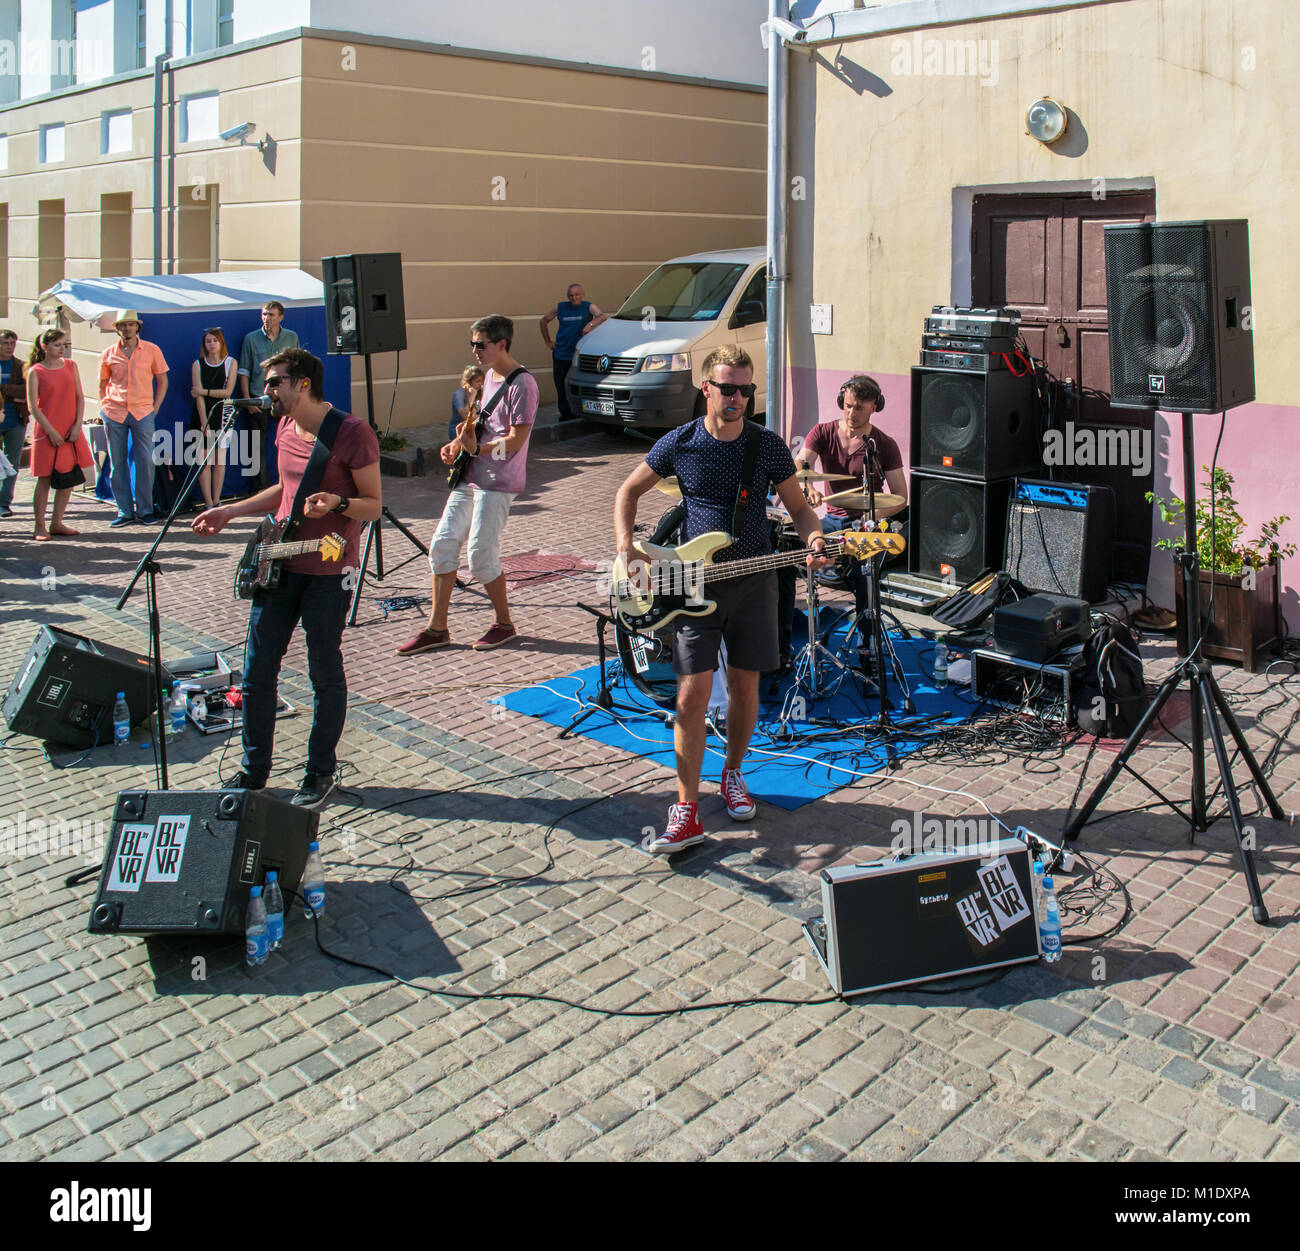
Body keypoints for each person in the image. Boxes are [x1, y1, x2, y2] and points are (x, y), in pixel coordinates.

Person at [613, 345, 832, 855]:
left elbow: (800, 510)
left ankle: (733, 774)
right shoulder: (680, 443)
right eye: (727, 388)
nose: (736, 398)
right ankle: (685, 808)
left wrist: (815, 541)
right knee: (690, 695)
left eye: (745, 390)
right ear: (706, 388)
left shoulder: (768, 445)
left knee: (745, 687)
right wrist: (626, 549)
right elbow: (627, 492)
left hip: (754, 581)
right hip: (695, 586)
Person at [192, 348, 381, 808]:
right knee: (257, 672)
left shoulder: (352, 432)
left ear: (303, 385)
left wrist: (337, 505)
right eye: (267, 382)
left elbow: (375, 505)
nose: (267, 391)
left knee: (324, 672)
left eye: (275, 382)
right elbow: (285, 488)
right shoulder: (282, 426)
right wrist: (230, 510)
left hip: (329, 567)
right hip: (279, 562)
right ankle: (254, 771)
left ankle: (320, 772)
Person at [397, 315, 537, 655]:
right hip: (472, 475)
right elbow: (479, 424)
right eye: (472, 344)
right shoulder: (489, 376)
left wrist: (480, 449)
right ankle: (437, 628)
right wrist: (459, 444)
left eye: (481, 344)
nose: (474, 350)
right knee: (442, 546)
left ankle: (504, 623)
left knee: (479, 556)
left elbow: (517, 441)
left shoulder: (524, 385)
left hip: (499, 482)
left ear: (502, 343)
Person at [794, 374, 908, 616]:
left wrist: (873, 514)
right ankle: (789, 634)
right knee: (790, 548)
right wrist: (810, 488)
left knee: (865, 578)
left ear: (874, 407)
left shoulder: (883, 444)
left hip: (864, 523)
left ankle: (867, 642)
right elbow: (800, 466)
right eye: (847, 406)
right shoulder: (822, 432)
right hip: (831, 521)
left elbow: (900, 495)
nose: (851, 414)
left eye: (859, 408)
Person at [99, 310, 169, 527]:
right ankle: (124, 511)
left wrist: (155, 408)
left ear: (137, 327)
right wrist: (104, 408)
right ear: (117, 328)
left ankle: (146, 510)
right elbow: (102, 383)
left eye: (131, 325)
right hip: (115, 412)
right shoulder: (108, 353)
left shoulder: (151, 349)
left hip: (143, 412)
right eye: (123, 325)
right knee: (117, 463)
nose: (127, 329)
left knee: (145, 462)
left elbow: (163, 380)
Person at [25, 329, 93, 542]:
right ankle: (40, 525)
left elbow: (80, 398)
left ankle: (57, 522)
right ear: (44, 346)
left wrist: (77, 426)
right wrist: (51, 431)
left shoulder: (71, 366)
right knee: (44, 479)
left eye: (64, 344)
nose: (62, 348)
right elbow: (33, 407)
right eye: (57, 344)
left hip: (70, 430)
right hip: (47, 432)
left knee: (69, 476)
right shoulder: (36, 371)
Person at [238, 301, 299, 489]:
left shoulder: (291, 337)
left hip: (285, 397)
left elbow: (297, 368)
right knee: (257, 446)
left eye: (271, 315)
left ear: (281, 317)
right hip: (259, 397)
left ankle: (290, 483)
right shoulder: (251, 339)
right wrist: (249, 400)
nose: (267, 318)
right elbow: (244, 371)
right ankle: (261, 489)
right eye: (264, 314)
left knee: (289, 441)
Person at [539, 283, 607, 420]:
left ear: (582, 294)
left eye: (576, 294)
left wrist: (590, 324)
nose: (574, 297)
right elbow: (543, 321)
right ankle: (565, 414)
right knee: (561, 385)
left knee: (579, 385)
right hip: (561, 354)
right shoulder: (561, 307)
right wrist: (548, 342)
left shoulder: (588, 306)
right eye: (571, 295)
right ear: (567, 296)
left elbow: (602, 316)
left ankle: (581, 412)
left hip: (578, 354)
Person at [190, 328, 238, 509]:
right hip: (203, 417)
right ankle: (208, 503)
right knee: (204, 462)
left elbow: (227, 392)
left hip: (224, 415)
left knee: (220, 462)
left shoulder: (231, 363)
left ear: (221, 343)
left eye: (215, 340)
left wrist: (203, 391)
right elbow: (198, 397)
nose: (211, 344)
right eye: (208, 341)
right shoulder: (197, 364)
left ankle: (217, 500)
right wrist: (204, 422)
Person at [0, 329, 29, 518]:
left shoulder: (20, 366)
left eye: (12, 343)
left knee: (12, 462)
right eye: (5, 343)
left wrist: (3, 390)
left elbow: (26, 391)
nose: (9, 347)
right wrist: (12, 393)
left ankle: (3, 503)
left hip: (16, 419)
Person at [449, 365, 485, 443]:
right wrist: (472, 396)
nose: (480, 384)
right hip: (458, 430)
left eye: (482, 381)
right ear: (468, 381)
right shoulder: (459, 395)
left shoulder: (480, 392)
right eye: (477, 381)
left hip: (474, 429)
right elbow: (466, 417)